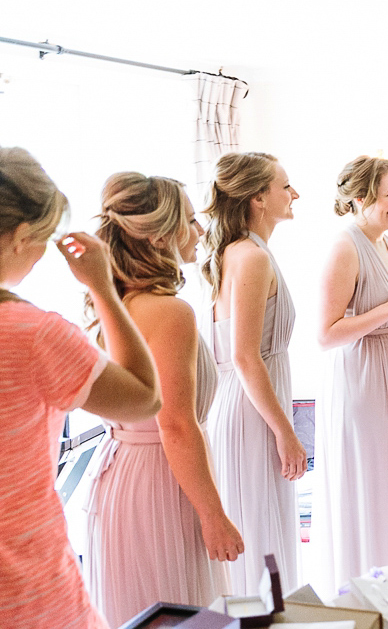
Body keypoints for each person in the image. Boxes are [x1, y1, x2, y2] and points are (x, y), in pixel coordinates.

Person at [0, 147, 160, 629]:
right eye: (43, 239)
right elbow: (143, 398)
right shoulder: (32, 334)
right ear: (21, 236)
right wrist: (102, 288)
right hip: (25, 584)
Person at [85, 173, 242, 626]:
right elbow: (175, 423)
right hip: (160, 482)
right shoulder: (170, 311)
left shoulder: (110, 304)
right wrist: (213, 515)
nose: (200, 232)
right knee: (181, 607)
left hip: (120, 477)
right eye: (191, 221)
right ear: (158, 235)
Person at [313, 156, 388, 589]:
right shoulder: (345, 246)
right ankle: (364, 590)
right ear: (361, 198)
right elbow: (326, 334)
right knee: (373, 484)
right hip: (365, 378)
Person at [201, 152, 303, 594]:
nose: (294, 193)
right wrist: (285, 431)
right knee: (259, 534)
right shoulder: (251, 257)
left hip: (246, 405)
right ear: (259, 198)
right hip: (251, 414)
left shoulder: (241, 252)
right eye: (285, 186)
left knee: (262, 529)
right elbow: (245, 356)